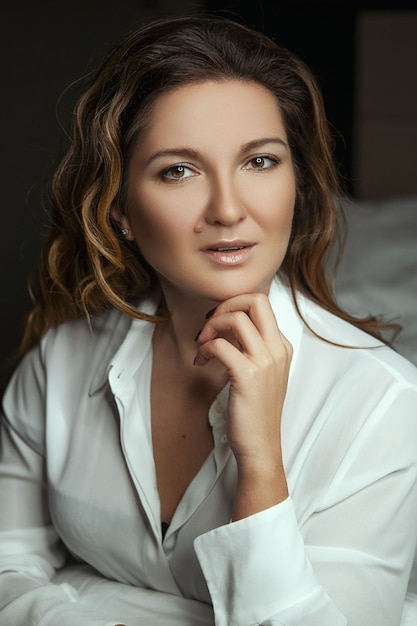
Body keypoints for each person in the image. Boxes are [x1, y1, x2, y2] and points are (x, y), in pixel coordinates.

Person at [1, 13, 417, 626]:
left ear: (298, 185)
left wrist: (262, 465)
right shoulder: (60, 362)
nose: (228, 209)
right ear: (118, 205)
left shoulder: (381, 403)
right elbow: (7, 568)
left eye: (260, 162)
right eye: (179, 170)